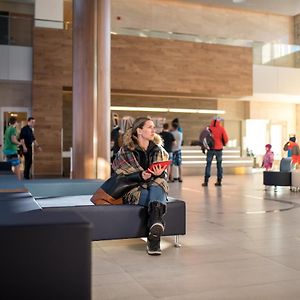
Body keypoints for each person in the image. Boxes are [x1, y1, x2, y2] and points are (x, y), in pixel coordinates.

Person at [112, 117, 169, 255]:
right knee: (156, 196)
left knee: (159, 184)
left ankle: (154, 234)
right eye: (149, 127)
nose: (153, 130)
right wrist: (140, 176)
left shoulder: (158, 150)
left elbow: (163, 177)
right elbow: (119, 175)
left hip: (154, 187)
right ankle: (154, 236)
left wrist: (160, 173)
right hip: (132, 189)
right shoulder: (125, 151)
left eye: (153, 127)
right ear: (139, 130)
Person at [202, 117, 229, 187]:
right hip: (219, 149)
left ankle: (206, 181)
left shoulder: (208, 128)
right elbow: (226, 138)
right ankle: (219, 181)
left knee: (208, 164)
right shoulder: (221, 128)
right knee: (219, 165)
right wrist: (223, 143)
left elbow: (204, 138)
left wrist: (204, 147)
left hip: (210, 149)